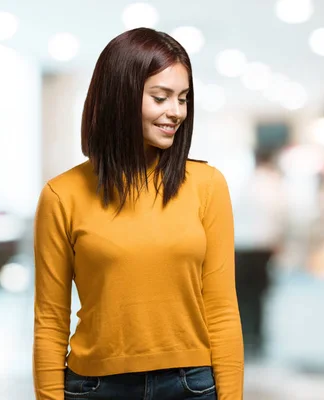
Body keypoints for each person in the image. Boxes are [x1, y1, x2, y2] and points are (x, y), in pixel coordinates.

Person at [32, 28, 244, 400]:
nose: (175, 112)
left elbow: (223, 310)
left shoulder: (207, 185)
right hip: (96, 388)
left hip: (190, 386)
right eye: (160, 97)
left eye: (183, 98)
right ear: (120, 97)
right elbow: (50, 321)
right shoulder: (61, 195)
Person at [233, 148, 288, 360]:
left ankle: (245, 337)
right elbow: (282, 216)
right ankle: (257, 338)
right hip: (263, 248)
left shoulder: (247, 184)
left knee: (242, 296)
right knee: (259, 296)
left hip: (242, 247)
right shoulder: (275, 184)